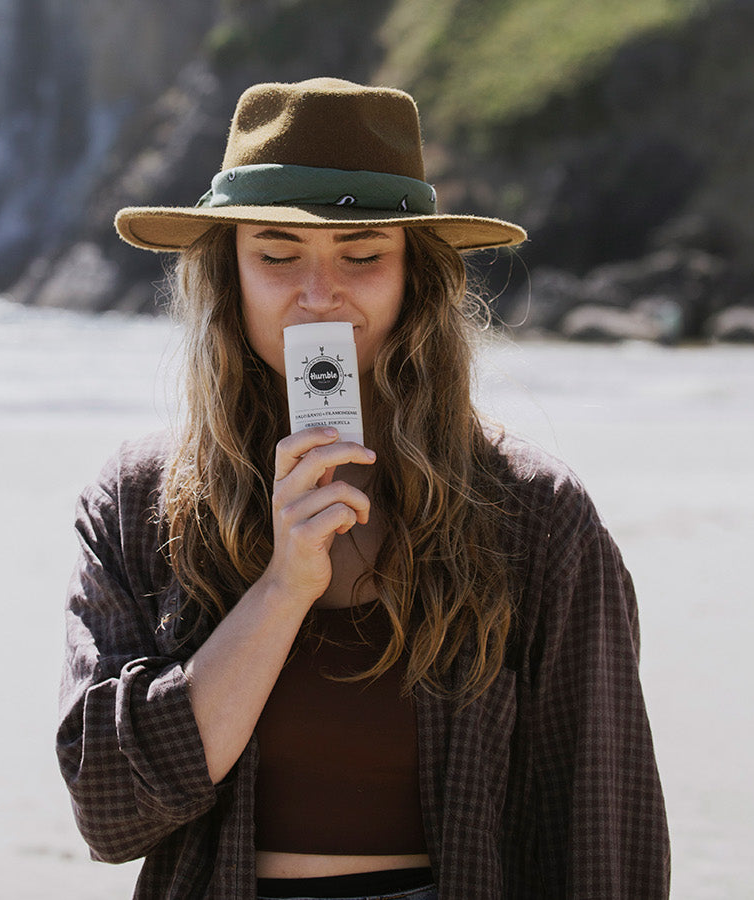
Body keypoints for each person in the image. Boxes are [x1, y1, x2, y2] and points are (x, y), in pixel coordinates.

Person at [57, 77, 669, 900]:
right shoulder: (139, 504)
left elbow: (605, 827)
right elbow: (109, 810)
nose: (319, 294)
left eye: (364, 254)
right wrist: (281, 589)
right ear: (226, 275)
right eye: (276, 255)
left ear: (416, 276)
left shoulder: (535, 518)